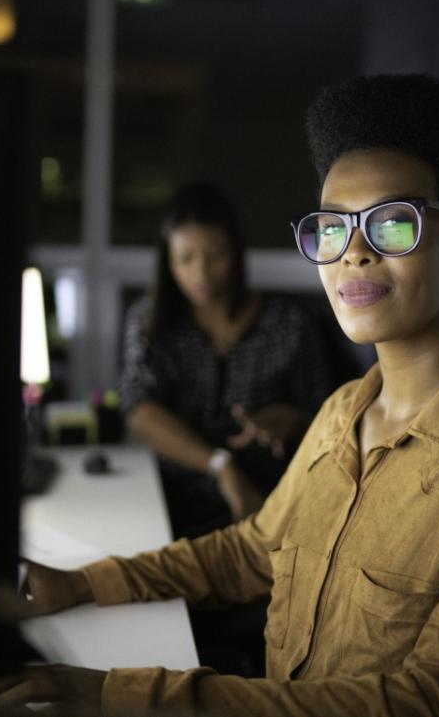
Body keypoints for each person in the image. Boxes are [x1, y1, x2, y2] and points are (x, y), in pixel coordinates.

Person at [0, 75, 439, 717]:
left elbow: (433, 701)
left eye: (393, 225)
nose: (354, 255)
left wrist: (110, 691)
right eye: (331, 229)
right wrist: (81, 584)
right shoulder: (345, 410)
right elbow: (251, 549)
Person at [117, 182, 339, 541]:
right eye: (186, 258)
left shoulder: (288, 324)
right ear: (167, 261)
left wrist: (290, 419)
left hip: (272, 506)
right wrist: (220, 465)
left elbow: (329, 414)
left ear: (236, 252)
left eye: (215, 254)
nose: (201, 273)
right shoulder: (150, 323)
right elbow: (139, 408)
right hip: (169, 505)